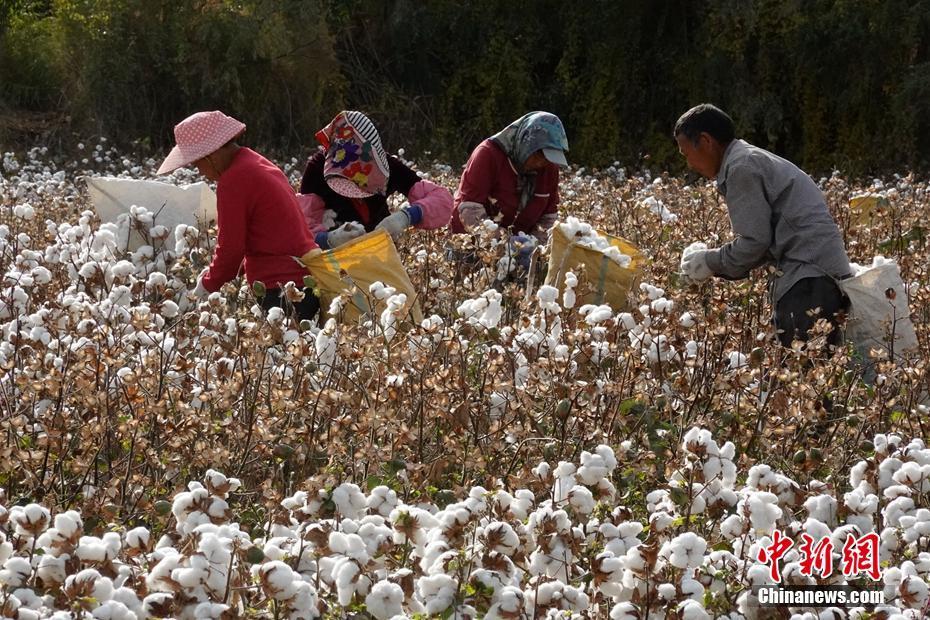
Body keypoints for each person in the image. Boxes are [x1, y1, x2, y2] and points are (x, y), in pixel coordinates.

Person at [674, 103, 852, 347]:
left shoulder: (741, 168)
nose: (689, 164)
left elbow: (754, 242)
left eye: (686, 153)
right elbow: (762, 241)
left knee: (801, 369)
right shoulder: (748, 159)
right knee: (816, 366)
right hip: (818, 275)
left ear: (705, 141)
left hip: (808, 279)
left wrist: (708, 262)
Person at [157, 110, 320, 321]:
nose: (199, 171)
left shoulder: (233, 180)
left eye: (197, 163)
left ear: (211, 154)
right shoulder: (255, 162)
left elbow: (231, 250)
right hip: (305, 283)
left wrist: (205, 287)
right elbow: (265, 236)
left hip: (279, 290)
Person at [297, 110, 452, 249]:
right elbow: (300, 229)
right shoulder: (317, 170)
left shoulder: (388, 166)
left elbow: (442, 200)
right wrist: (329, 239)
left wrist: (406, 217)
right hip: (337, 259)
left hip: (383, 249)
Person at [448, 111, 569, 247]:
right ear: (526, 143)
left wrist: (534, 246)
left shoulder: (549, 168)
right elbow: (470, 209)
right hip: (471, 244)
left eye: (548, 159)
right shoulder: (488, 154)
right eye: (538, 155)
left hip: (520, 249)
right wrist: (504, 243)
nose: (541, 163)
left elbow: (549, 217)